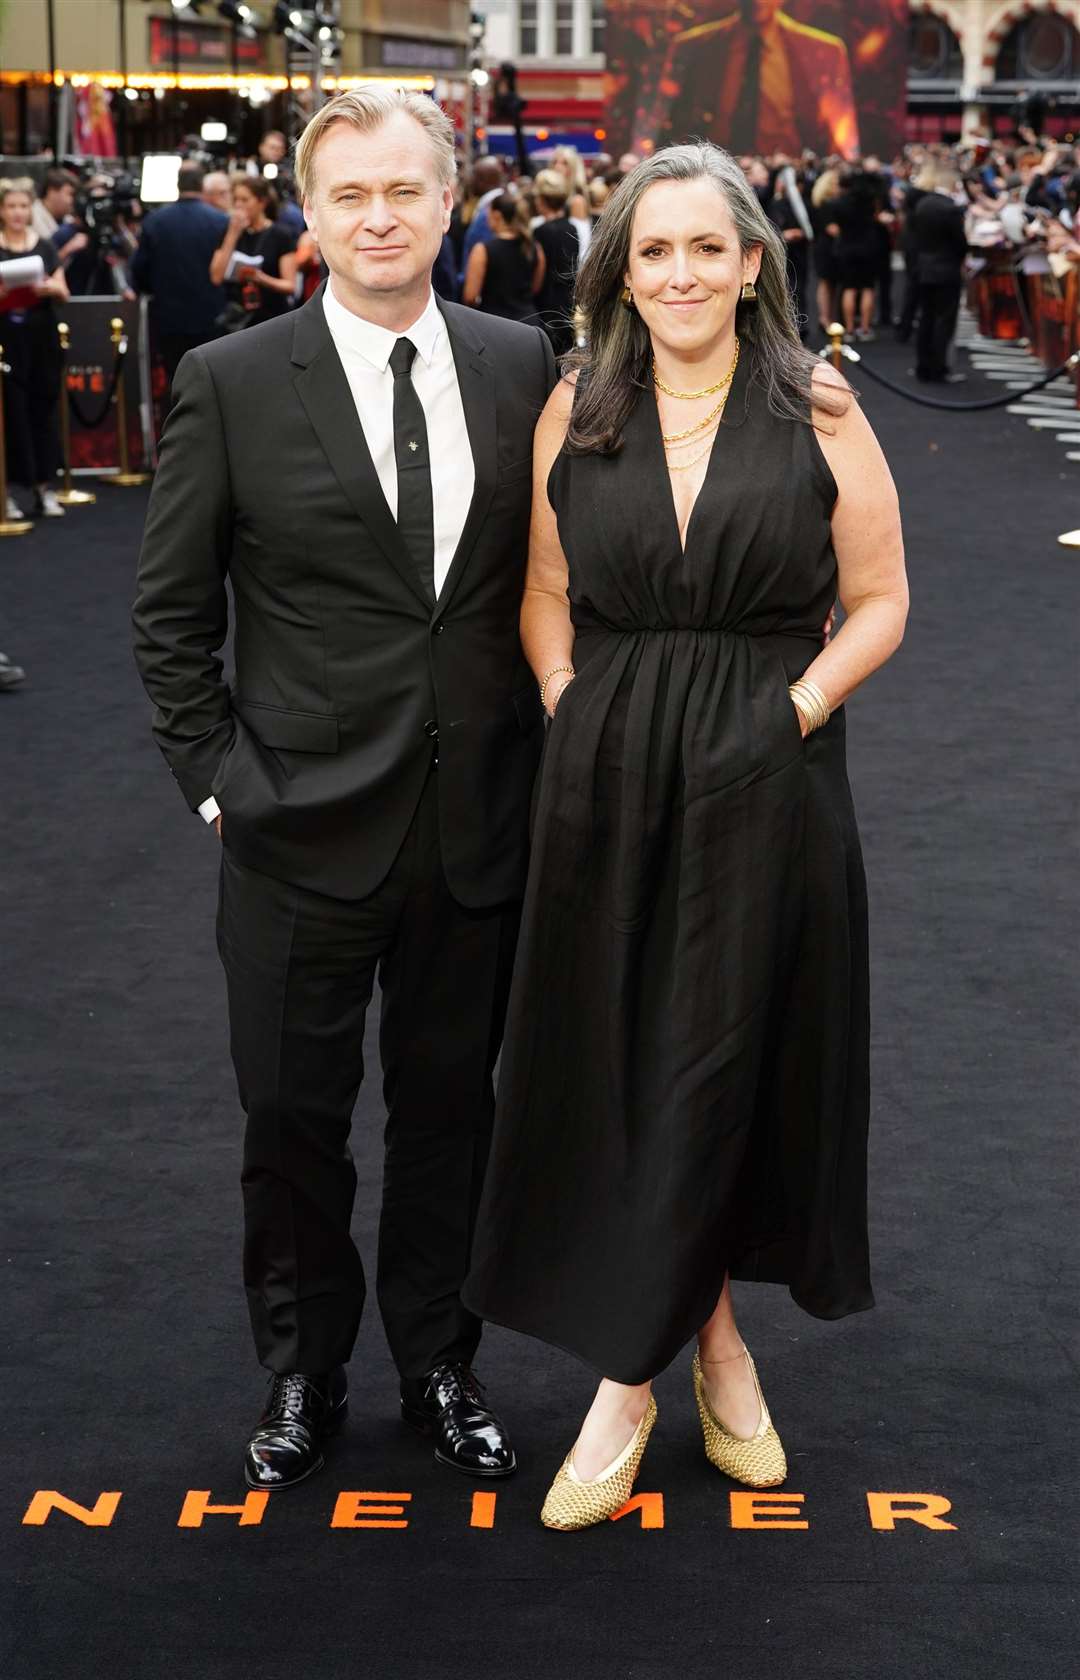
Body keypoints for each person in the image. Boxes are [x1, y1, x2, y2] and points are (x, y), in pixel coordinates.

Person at [463, 141, 909, 1530]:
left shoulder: (821, 406)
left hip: (769, 772)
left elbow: (885, 598)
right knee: (628, 1060)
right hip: (606, 772)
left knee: (724, 1061)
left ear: (753, 260)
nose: (679, 274)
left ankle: (623, 1380)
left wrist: (790, 711)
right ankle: (708, 1354)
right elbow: (543, 591)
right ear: (620, 268)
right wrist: (562, 698)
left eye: (705, 249)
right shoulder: (577, 410)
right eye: (653, 252)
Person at [132, 87, 555, 1494]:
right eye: (349, 196)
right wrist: (218, 789)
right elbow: (169, 621)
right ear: (310, 217)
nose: (378, 218)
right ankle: (303, 1369)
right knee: (291, 1123)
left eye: (404, 191)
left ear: (451, 202)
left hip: (477, 824)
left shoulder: (521, 361)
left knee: (453, 1113)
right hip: (293, 832)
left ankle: (440, 1359)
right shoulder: (234, 380)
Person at [653, 0, 859, 160]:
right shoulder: (694, 47)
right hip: (711, 179)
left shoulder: (823, 52)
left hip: (788, 183)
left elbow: (839, 142)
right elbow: (671, 127)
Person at [130, 161, 229, 412]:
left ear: (177, 184)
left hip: (168, 316)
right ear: (202, 185)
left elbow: (139, 268)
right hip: (211, 314)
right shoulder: (219, 220)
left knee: (175, 381)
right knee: (213, 381)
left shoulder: (154, 221)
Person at [0, 178, 69, 521]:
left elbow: (63, 291)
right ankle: (9, 490)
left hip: (41, 337)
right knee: (10, 414)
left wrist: (48, 288)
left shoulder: (44, 246)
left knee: (42, 409)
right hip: (5, 341)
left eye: (23, 206)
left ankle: (45, 487)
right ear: (1, 210)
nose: (17, 213)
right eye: (11, 206)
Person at [209, 174, 297, 330]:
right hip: (238, 318)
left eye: (245, 200)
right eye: (235, 199)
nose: (238, 205)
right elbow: (216, 276)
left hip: (272, 318)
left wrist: (261, 278)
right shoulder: (230, 232)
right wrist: (233, 233)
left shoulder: (280, 235)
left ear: (262, 202)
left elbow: (290, 285)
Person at [909, 163, 968, 384]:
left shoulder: (922, 204)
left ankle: (923, 366)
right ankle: (939, 368)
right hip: (947, 269)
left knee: (926, 317)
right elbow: (960, 242)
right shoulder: (950, 208)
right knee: (944, 320)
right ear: (952, 184)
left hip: (924, 267)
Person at [463, 190, 542, 322]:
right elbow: (535, 287)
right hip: (529, 322)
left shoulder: (483, 250)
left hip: (494, 323)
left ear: (496, 215)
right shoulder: (533, 247)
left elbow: (470, 296)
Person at [532, 172, 580, 356]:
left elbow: (538, 271)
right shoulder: (571, 227)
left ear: (542, 200)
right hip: (565, 302)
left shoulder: (541, 231)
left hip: (546, 302)